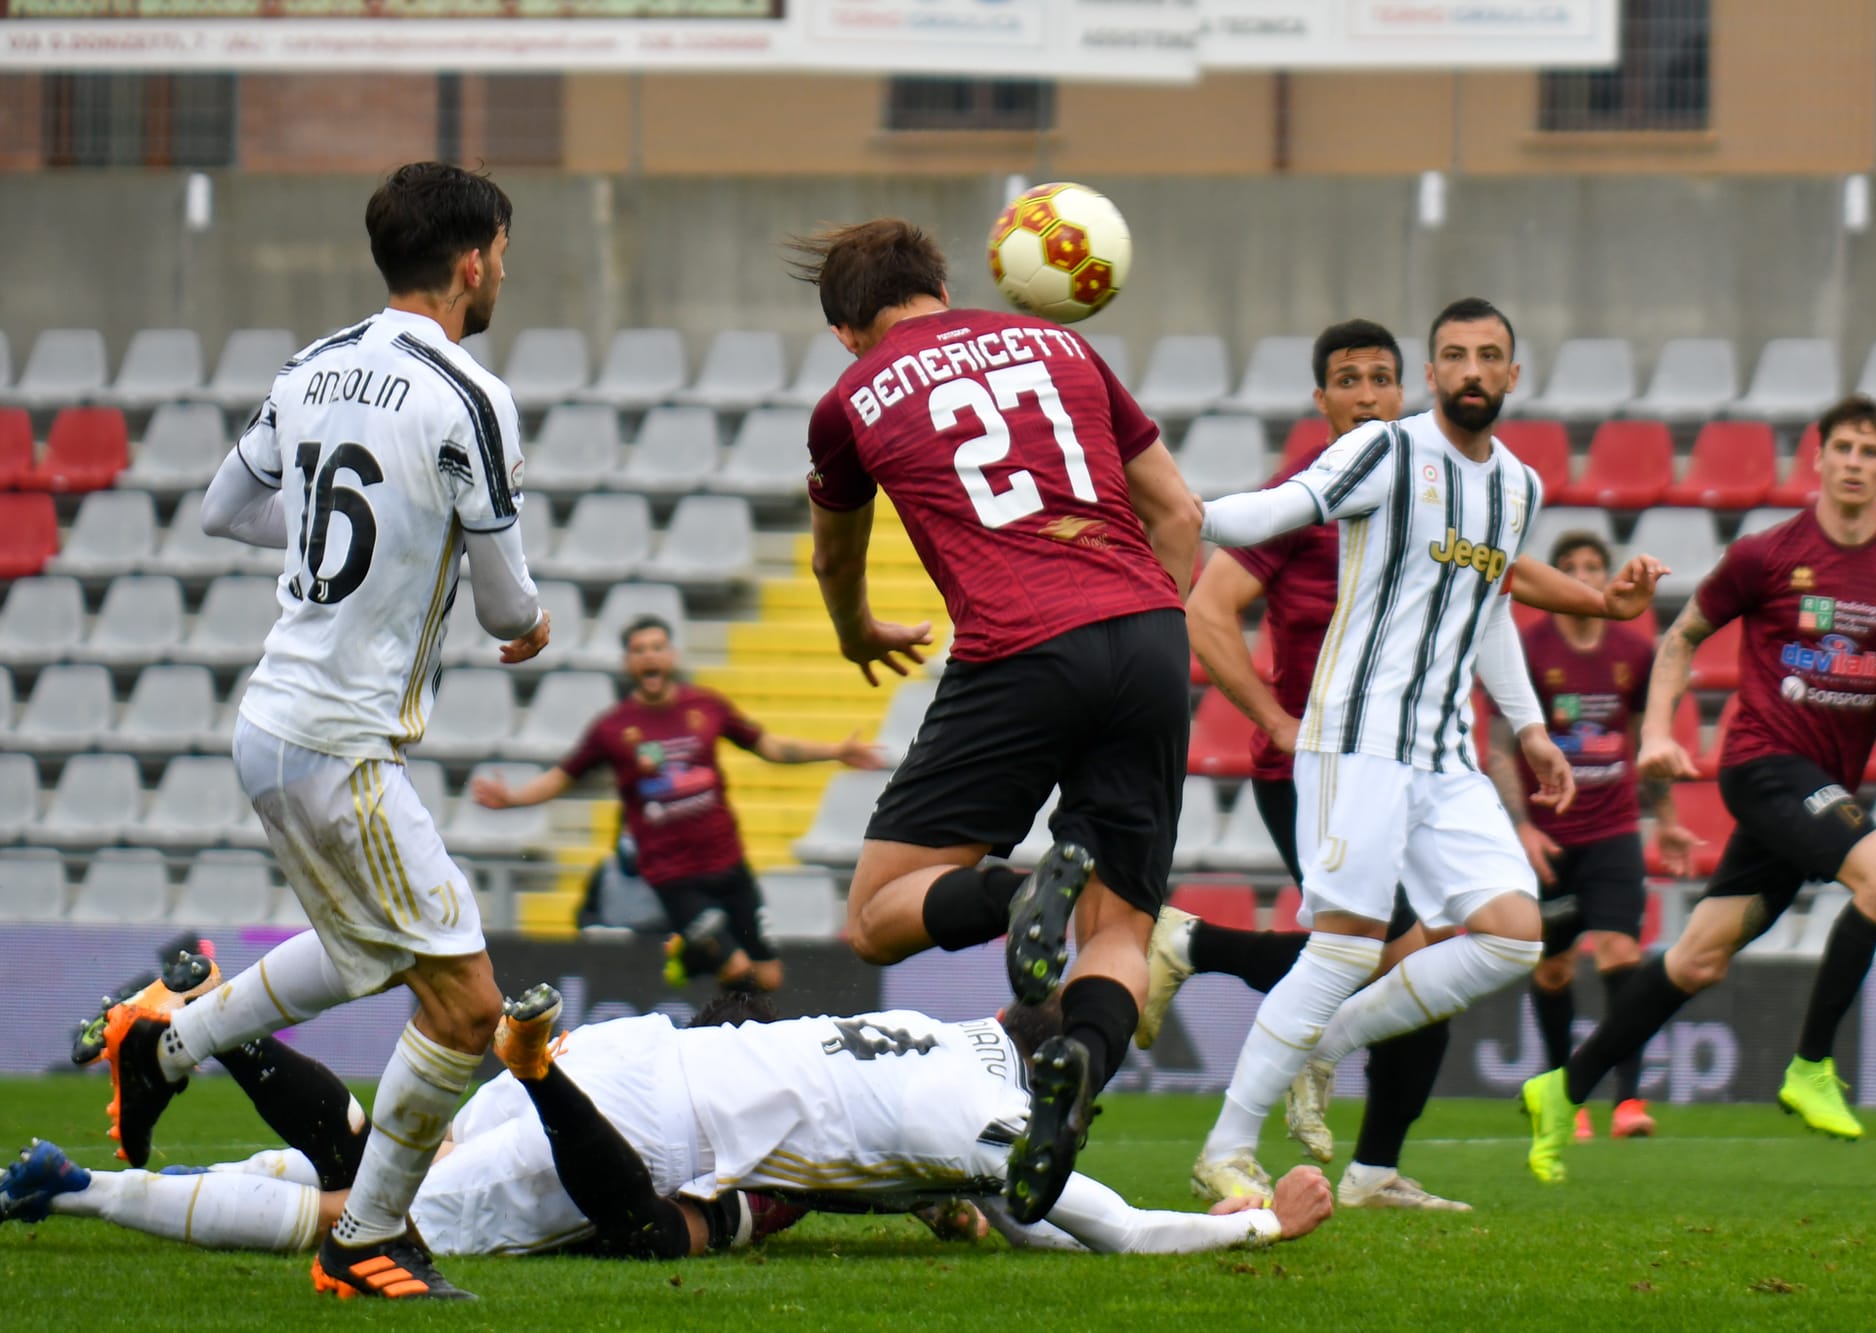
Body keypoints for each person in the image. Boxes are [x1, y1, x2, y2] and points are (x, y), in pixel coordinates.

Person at [98, 161, 546, 1300]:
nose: (502, 267)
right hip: (341, 740)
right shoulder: (469, 395)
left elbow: (223, 509)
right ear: (473, 260)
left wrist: (338, 562)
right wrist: (530, 625)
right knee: (466, 1005)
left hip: (272, 717)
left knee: (359, 954)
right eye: (502, 250)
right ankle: (367, 1238)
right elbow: (504, 605)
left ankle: (165, 1042)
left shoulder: (313, 368)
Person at [1150, 318, 1661, 1209]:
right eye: (1455, 357)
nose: (1472, 371)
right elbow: (1279, 511)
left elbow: (1486, 602)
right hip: (1355, 737)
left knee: (1511, 930)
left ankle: (1326, 1043)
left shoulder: (1517, 485)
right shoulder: (1386, 451)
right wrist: (1179, 512)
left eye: (1489, 356)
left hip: (1444, 751)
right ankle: (1227, 1147)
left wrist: (1531, 725)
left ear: (1513, 370)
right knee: (1344, 947)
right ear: (1431, 373)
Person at [790, 218, 1205, 1223]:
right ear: (937, 283)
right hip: (1146, 630)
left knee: (877, 915)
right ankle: (1072, 1064)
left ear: (847, 329)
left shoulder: (849, 398)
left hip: (1019, 645)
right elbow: (1182, 517)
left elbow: (835, 560)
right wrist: (1153, 634)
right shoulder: (1066, 345)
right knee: (1121, 928)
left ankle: (1017, 895)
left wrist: (854, 634)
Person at [1519, 394, 1876, 1182]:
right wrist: (1659, 731)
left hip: (1814, 790)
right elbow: (1681, 637)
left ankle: (1562, 1089)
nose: (1853, 462)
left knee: (1698, 960)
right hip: (1762, 766)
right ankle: (1809, 1066)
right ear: (1818, 456)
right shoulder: (1766, 554)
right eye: (1841, 446)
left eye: (1869, 451)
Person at [4, 986, 1334, 1260]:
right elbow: (1093, 1228)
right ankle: (91, 1167)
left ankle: (163, 1060)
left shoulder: (938, 1027)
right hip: (642, 1128)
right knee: (353, 1217)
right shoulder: (995, 1118)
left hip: (635, 1052)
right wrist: (1250, 1226)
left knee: (396, 1159)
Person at [471, 615, 887, 994]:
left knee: (769, 977)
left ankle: (689, 959)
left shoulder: (705, 707)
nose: (649, 656)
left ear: (671, 655)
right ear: (628, 662)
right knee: (739, 971)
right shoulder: (613, 728)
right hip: (676, 878)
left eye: (656, 647)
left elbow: (771, 746)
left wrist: (834, 750)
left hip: (730, 865)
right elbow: (563, 776)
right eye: (639, 650)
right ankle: (704, 988)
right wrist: (513, 799)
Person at [1488, 531, 1699, 1142]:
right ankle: (1564, 1096)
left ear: (1608, 578)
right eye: (1571, 569)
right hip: (1550, 836)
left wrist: (1670, 821)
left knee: (1622, 955)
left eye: (1593, 567)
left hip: (1613, 829)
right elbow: (1501, 744)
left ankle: (1628, 1099)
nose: (1583, 577)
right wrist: (1522, 827)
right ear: (1557, 584)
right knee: (1553, 970)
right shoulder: (1526, 649)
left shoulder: (1632, 651)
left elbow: (1641, 740)